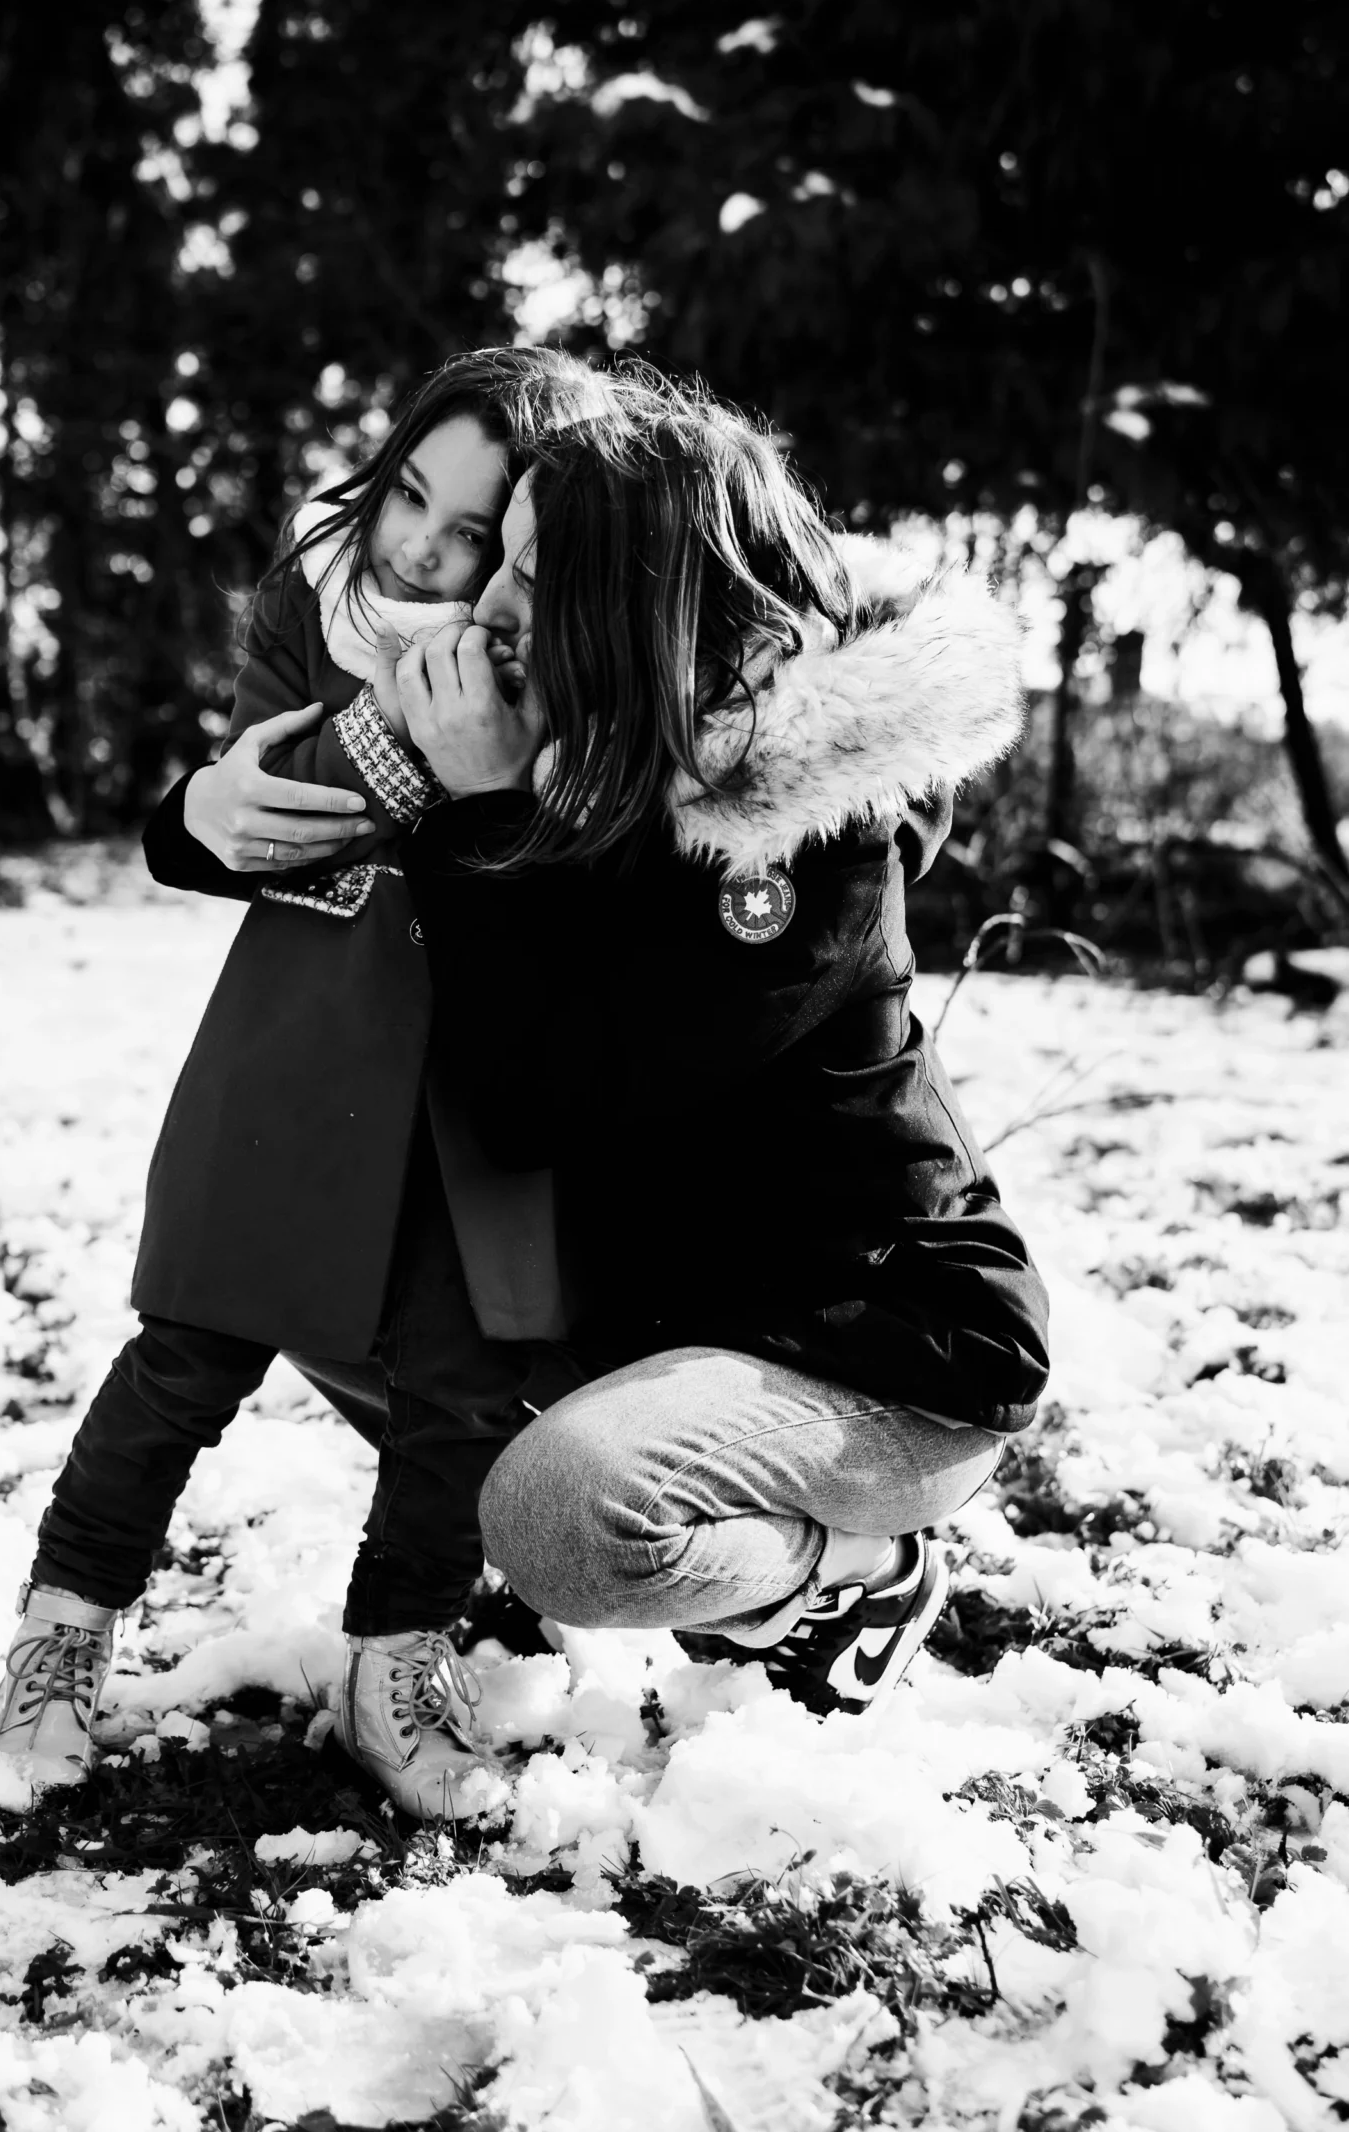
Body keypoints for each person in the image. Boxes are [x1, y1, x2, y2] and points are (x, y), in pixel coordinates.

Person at [0, 347, 622, 1813]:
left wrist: (489, 754)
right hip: (304, 1039)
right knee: (184, 1357)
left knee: (462, 1396)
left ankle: (393, 1666)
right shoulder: (311, 606)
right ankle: (62, 1638)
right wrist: (232, 799)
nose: (424, 547)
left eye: (476, 533)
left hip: (480, 1078)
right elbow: (278, 800)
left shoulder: (578, 651)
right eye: (411, 496)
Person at [385, 387, 1047, 1715]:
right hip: (686, 1331)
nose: (492, 604)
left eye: (535, 568)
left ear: (635, 604)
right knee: (343, 1286)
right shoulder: (625, 771)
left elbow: (535, 1098)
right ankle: (696, 1516)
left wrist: (475, 817)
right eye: (500, 556)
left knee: (557, 1519)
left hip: (884, 1367)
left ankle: (852, 1567)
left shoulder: (789, 851)